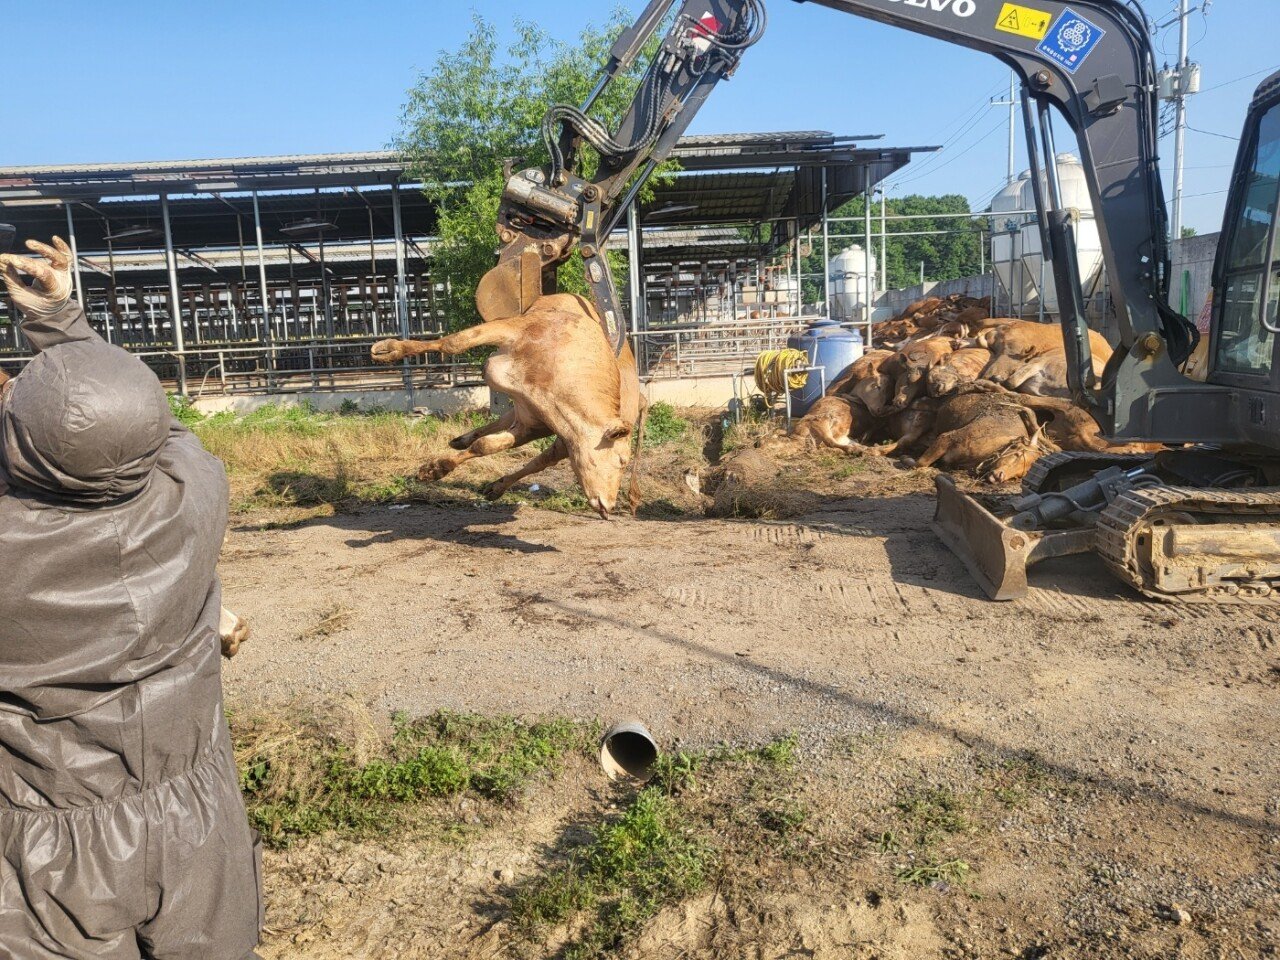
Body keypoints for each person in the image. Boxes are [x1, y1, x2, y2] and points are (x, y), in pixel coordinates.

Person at [0, 239, 261, 959]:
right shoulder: (195, 493)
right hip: (194, 821)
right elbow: (152, 428)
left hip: (53, 852)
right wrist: (64, 323)